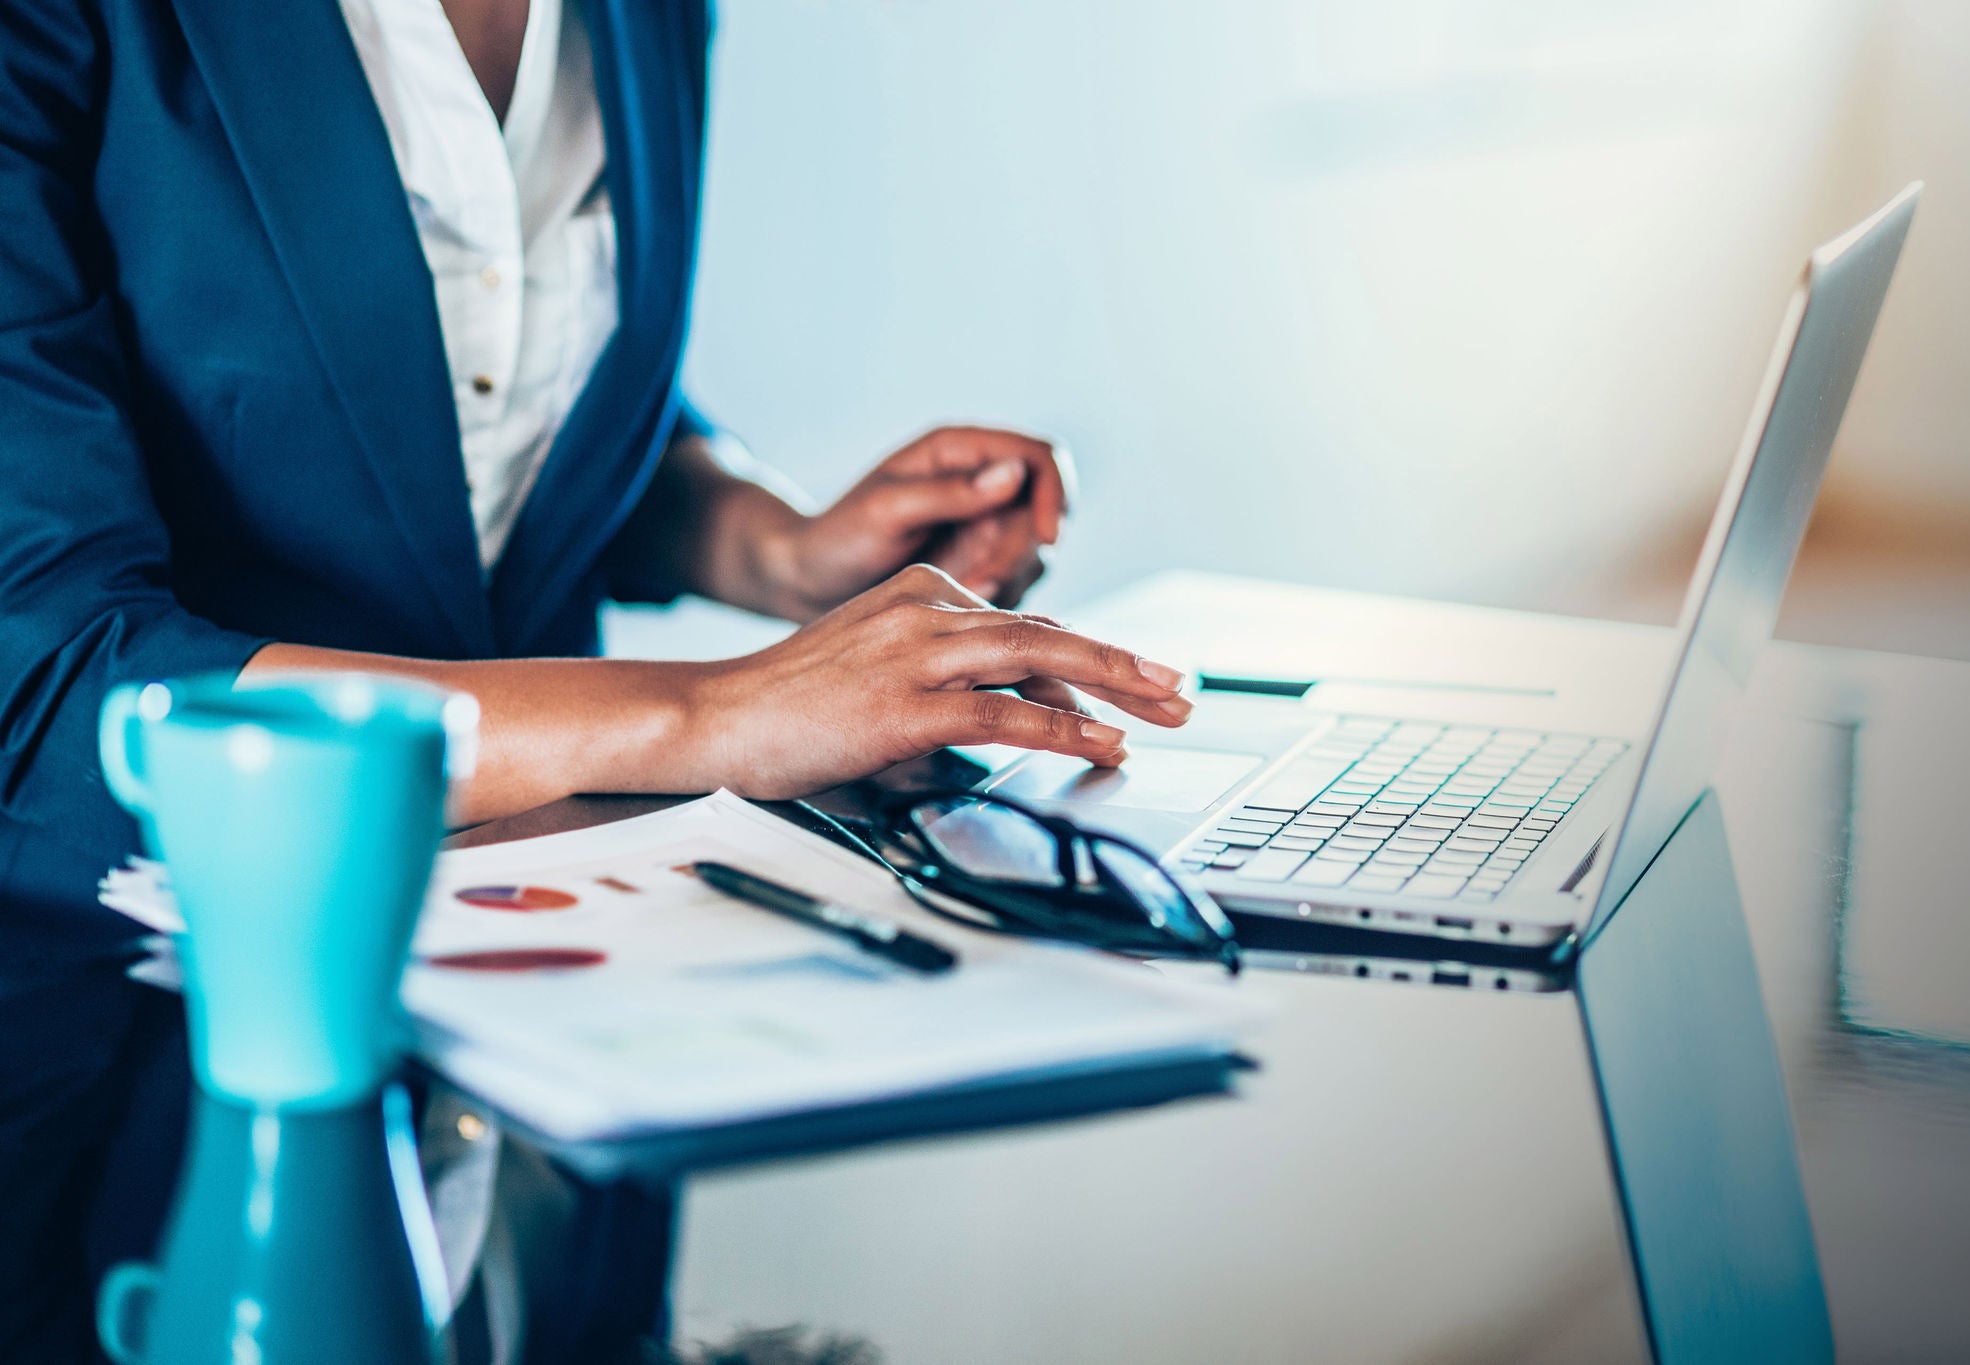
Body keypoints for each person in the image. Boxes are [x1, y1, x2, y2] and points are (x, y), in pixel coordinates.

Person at [0, 0, 1192, 1358]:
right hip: (129, 1051)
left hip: (541, 1023)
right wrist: (711, 713)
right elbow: (47, 669)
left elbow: (477, 388)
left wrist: (774, 544)